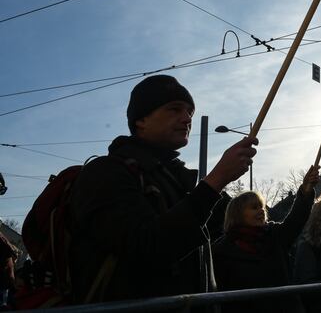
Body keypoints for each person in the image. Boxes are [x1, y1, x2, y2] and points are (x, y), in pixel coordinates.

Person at [69, 75, 257, 304]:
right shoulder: (105, 172)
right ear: (141, 120)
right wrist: (216, 180)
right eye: (174, 109)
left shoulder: (176, 179)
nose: (187, 118)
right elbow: (146, 246)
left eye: (190, 112)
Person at [213, 165, 319, 313]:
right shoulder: (222, 249)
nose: (261, 210)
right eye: (254, 207)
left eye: (262, 206)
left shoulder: (275, 235)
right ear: (237, 214)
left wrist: (305, 191)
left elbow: (296, 219)